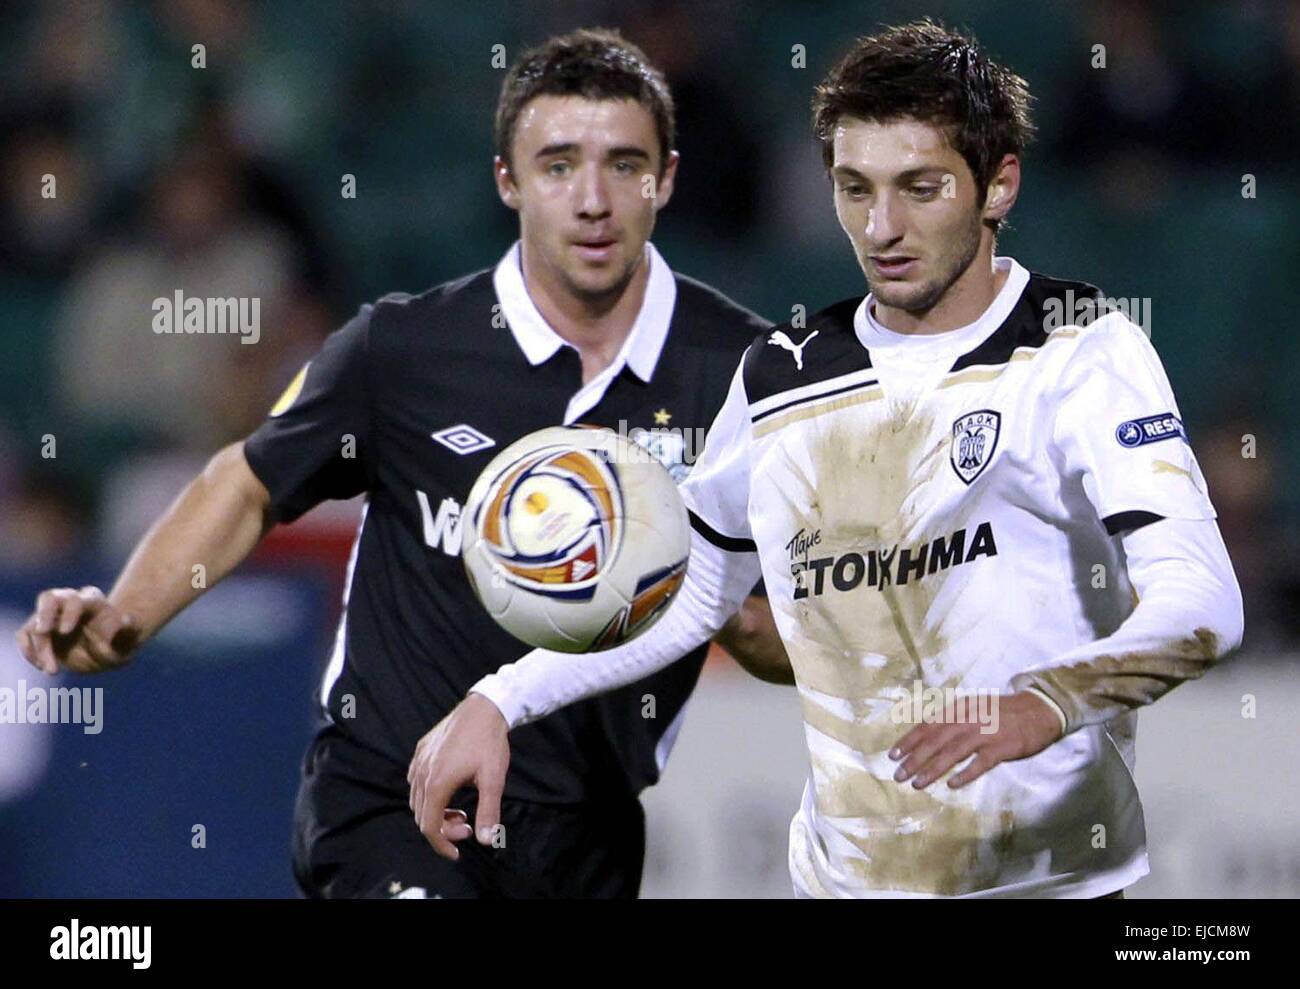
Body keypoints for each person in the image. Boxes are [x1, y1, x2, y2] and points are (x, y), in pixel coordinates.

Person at [410, 19, 1244, 899]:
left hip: (1051, 887)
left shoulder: (1078, 349)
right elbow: (688, 587)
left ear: (999, 184)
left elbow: (1203, 599)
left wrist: (1048, 700)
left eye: (919, 188)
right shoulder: (782, 374)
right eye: (855, 189)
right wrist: (501, 698)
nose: (881, 227)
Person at [15, 28, 790, 899]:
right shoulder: (404, 348)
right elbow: (247, 483)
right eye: (558, 164)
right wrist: (124, 616)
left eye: (623, 164)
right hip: (390, 801)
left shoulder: (745, 377)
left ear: (668, 177)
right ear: (508, 180)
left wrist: (705, 597)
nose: (592, 199)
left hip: (586, 832)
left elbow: (786, 636)